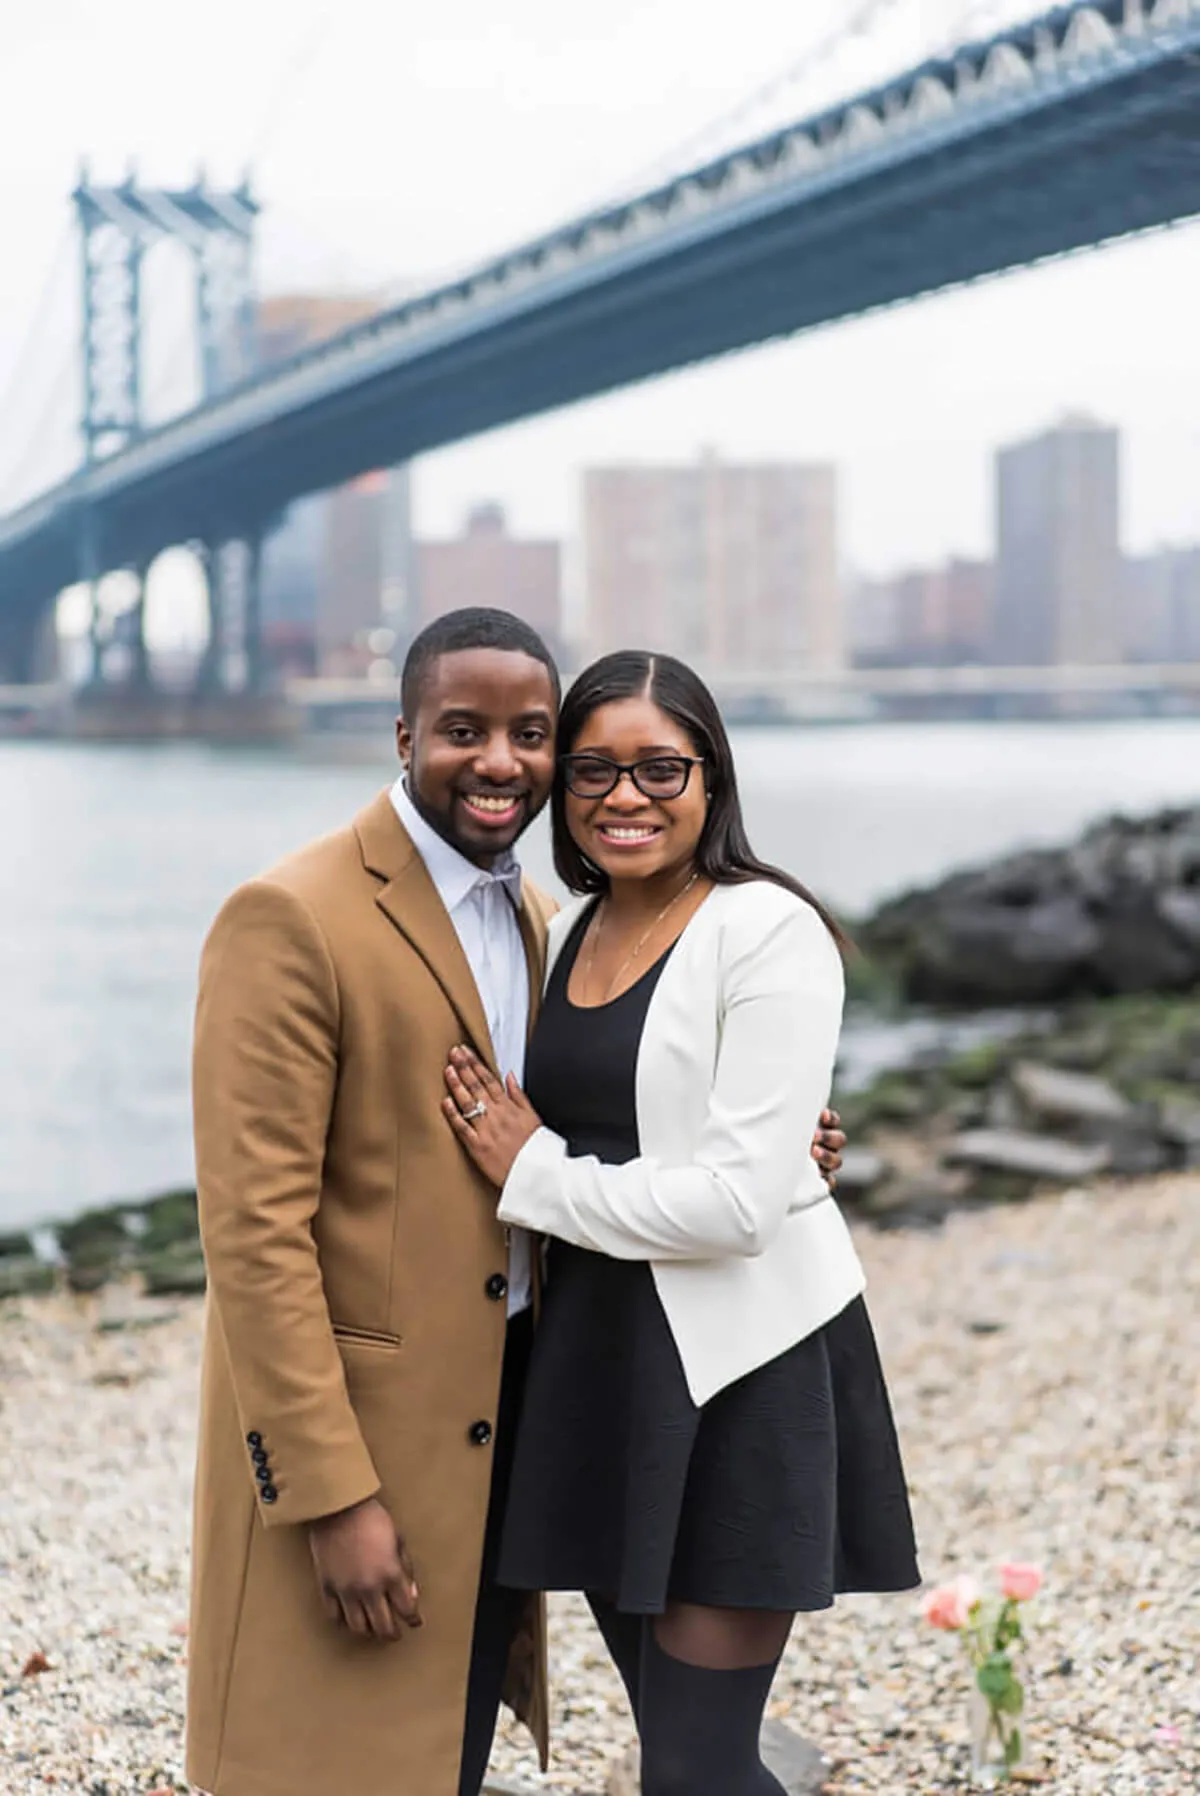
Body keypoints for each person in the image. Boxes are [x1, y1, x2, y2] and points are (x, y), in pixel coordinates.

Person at [187, 608, 845, 1796]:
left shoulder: (551, 919)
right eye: (463, 729)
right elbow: (250, 1234)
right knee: (318, 1763)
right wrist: (329, 1493)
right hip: (382, 1440)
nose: (502, 760)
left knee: (464, 1754)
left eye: (532, 734)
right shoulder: (291, 914)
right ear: (402, 734)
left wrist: (777, 1147)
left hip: (537, 1408)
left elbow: (613, 1111)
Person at [443, 650, 919, 1796]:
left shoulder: (768, 927)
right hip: (602, 1366)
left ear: (712, 779)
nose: (624, 795)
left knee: (695, 1769)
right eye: (595, 767)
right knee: (678, 1748)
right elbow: (672, 1129)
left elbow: (734, 1205)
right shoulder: (560, 928)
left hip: (742, 1370)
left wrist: (533, 1168)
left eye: (660, 766)